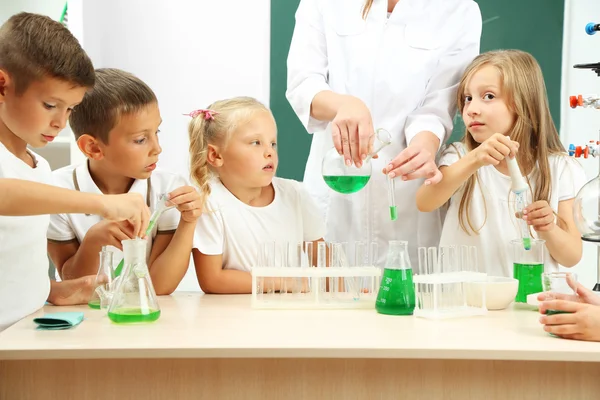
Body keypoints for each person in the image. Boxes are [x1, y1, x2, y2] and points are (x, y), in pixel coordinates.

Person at [286, 0, 482, 266]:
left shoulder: (458, 9)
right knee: (329, 292)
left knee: (406, 294)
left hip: (407, 191)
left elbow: (437, 106)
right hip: (338, 183)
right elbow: (303, 83)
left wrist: (423, 148)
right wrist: (344, 104)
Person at [0, 13, 149, 331]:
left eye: (70, 109)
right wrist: (102, 203)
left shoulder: (39, 167)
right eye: (50, 105)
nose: (60, 122)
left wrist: (53, 291)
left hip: (21, 337)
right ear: (2, 86)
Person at [416, 50, 586, 276]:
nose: (472, 109)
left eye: (488, 96)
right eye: (468, 98)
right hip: (467, 303)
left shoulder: (560, 169)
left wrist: (549, 228)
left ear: (523, 102)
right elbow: (425, 201)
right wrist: (475, 159)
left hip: (529, 305)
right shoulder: (459, 156)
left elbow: (572, 256)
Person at [47, 68, 203, 296]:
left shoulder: (168, 188)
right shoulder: (57, 190)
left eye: (156, 132)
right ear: (93, 147)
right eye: (140, 139)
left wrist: (188, 222)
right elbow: (73, 285)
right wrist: (93, 242)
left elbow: (160, 287)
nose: (157, 148)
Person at [190, 97, 326, 294]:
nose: (269, 152)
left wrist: (348, 292)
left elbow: (326, 262)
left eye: (272, 143)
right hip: (233, 317)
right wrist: (287, 283)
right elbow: (213, 280)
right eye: (256, 142)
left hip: (291, 315)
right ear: (216, 156)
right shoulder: (208, 201)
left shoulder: (295, 195)